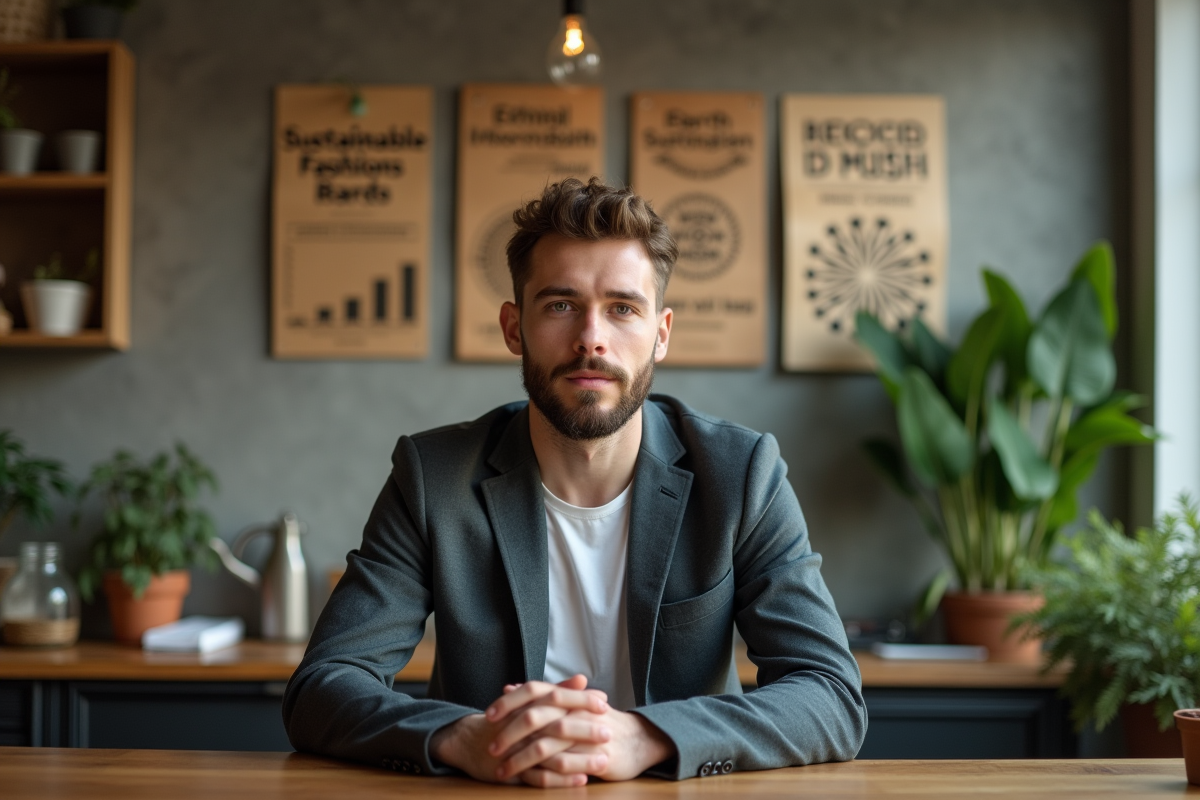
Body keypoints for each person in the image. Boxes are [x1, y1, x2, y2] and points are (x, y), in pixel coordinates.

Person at [282, 177, 866, 787]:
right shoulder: (434, 477)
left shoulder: (741, 473)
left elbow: (829, 693)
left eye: (623, 308)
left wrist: (645, 737)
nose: (591, 338)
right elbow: (323, 686)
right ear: (514, 327)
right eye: (561, 305)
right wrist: (463, 737)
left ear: (661, 333)